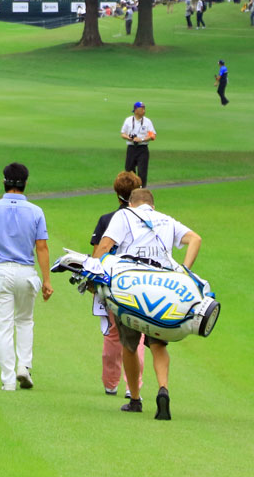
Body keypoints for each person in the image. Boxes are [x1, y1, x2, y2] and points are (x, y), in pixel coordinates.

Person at [93, 188, 202, 420]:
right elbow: (195, 239)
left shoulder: (124, 215)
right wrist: (185, 270)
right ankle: (163, 388)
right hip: (163, 286)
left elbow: (104, 246)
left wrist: (92, 270)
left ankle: (134, 399)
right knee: (158, 344)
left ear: (131, 204)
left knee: (130, 345)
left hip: (132, 285)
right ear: (153, 205)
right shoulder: (167, 220)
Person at [0, 163, 52, 391]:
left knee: (3, 327)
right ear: (25, 183)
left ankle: (8, 379)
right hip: (26, 272)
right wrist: (47, 280)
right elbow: (42, 247)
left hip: (0, 272)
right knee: (25, 321)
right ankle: (24, 366)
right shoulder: (36, 211)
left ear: (4, 181)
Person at [90, 171, 145, 398]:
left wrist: (91, 279)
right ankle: (133, 386)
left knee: (113, 333)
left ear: (117, 193)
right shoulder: (146, 220)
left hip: (112, 283)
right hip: (140, 282)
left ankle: (111, 382)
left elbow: (98, 251)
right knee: (138, 334)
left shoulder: (107, 220)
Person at [119, 102, 155, 185]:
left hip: (142, 149)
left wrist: (141, 139)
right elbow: (123, 134)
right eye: (142, 109)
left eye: (144, 109)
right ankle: (130, 189)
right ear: (135, 110)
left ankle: (141, 189)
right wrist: (128, 137)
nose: (144, 111)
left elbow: (152, 136)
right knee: (129, 171)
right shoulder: (128, 120)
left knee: (142, 172)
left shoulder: (147, 122)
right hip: (131, 148)